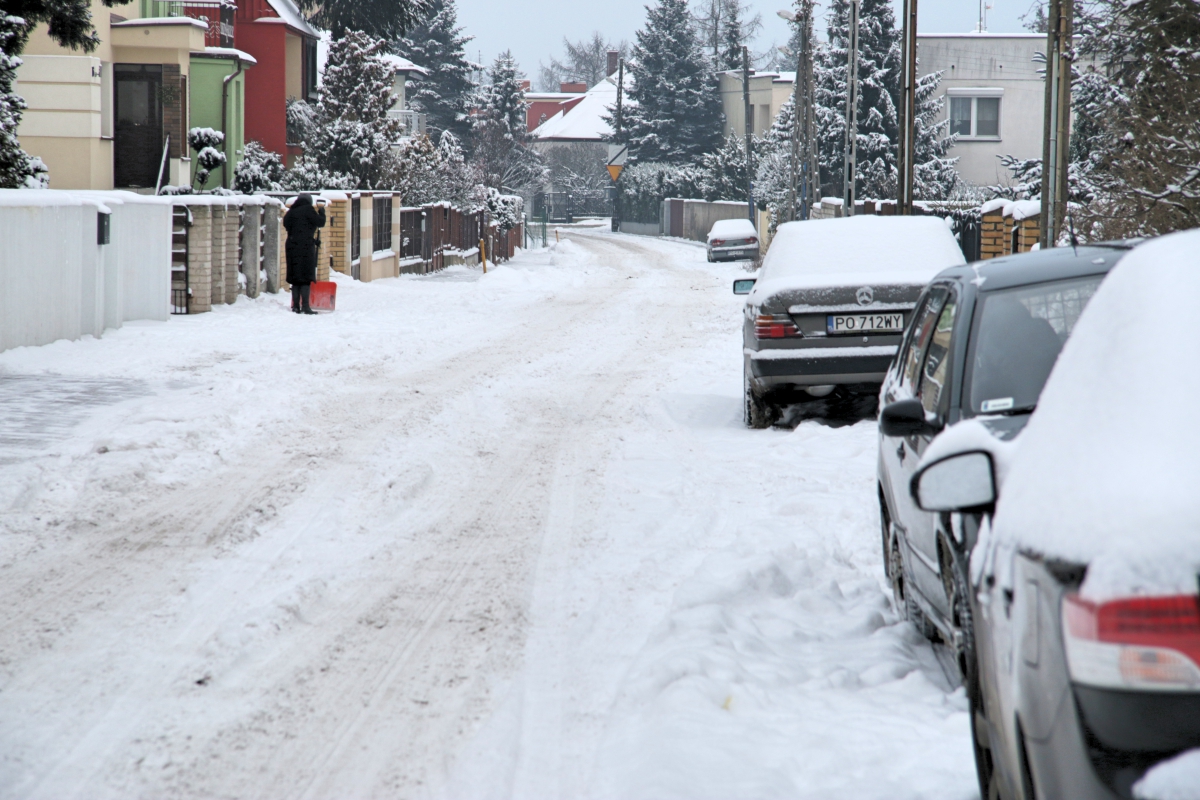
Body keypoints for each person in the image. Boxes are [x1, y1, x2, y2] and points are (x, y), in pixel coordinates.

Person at [283, 193, 326, 314]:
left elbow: (286, 223)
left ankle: (296, 306)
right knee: (305, 277)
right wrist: (322, 211)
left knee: (296, 277)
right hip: (306, 247)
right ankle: (306, 306)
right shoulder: (308, 210)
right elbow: (320, 222)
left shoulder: (291, 211)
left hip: (291, 246)